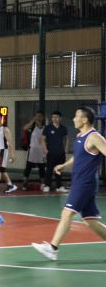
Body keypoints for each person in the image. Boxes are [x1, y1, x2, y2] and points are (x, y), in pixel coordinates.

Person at [32, 107, 106, 260]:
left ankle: (52, 248)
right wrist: (64, 165)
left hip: (85, 183)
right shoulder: (80, 136)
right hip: (80, 181)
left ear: (85, 119)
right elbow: (78, 156)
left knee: (67, 213)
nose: (73, 119)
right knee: (91, 221)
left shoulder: (94, 137)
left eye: (76, 116)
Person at [42, 111, 69, 193]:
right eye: (53, 117)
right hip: (51, 153)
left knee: (59, 170)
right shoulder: (48, 128)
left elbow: (67, 139)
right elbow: (42, 139)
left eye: (56, 117)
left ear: (60, 118)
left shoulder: (63, 128)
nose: (54, 119)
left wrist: (66, 149)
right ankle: (47, 185)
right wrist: (45, 150)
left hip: (61, 153)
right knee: (49, 170)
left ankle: (59, 186)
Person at [0, 112, 17, 194]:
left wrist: (12, 154)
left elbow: (10, 143)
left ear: (1, 118)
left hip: (2, 151)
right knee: (2, 170)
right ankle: (10, 185)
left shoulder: (5, 129)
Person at [22, 111, 46, 190]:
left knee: (42, 167)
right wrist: (33, 120)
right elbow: (24, 128)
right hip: (32, 149)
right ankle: (25, 183)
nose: (38, 118)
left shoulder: (45, 127)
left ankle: (43, 183)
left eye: (40, 116)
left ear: (43, 118)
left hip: (41, 150)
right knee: (28, 167)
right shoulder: (32, 126)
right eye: (37, 116)